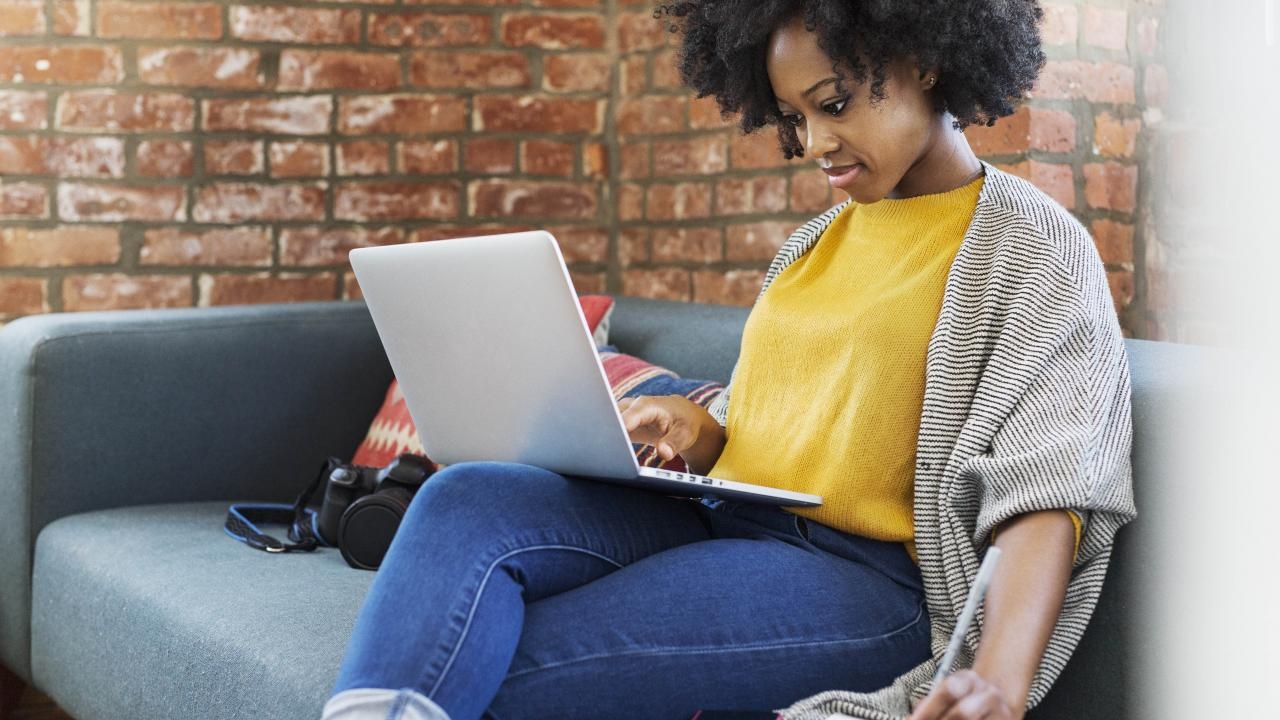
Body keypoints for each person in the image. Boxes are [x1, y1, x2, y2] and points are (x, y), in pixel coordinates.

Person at [322, 1, 1135, 719]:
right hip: (723, 517)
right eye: (794, 116)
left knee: (493, 660)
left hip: (862, 582)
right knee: (466, 497)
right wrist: (698, 433)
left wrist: (997, 679)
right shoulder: (813, 245)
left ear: (926, 58)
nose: (815, 142)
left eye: (835, 104)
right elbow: (771, 431)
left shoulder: (1032, 249)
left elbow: (1048, 489)